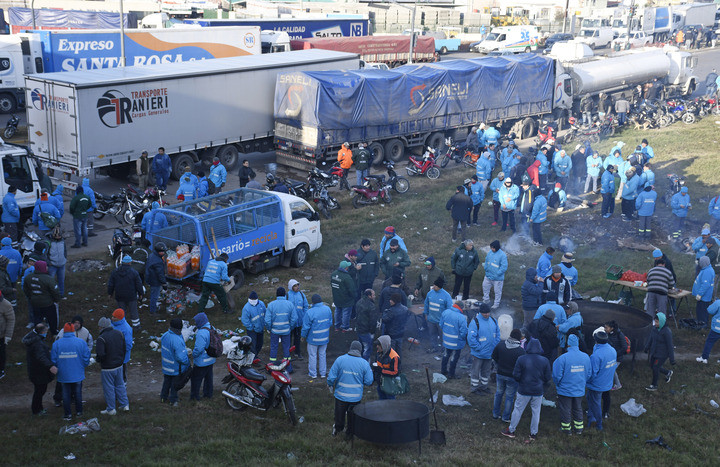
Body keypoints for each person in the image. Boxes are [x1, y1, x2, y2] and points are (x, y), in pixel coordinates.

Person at [501, 338, 552, 441]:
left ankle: (511, 431)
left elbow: (516, 374)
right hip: (538, 391)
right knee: (536, 412)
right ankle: (533, 434)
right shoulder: (545, 360)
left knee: (518, 410)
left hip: (524, 389)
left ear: (528, 347)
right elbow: (548, 377)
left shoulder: (521, 359)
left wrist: (521, 381)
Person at [327, 341, 374, 439]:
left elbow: (331, 377)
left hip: (340, 396)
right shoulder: (364, 363)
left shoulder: (340, 360)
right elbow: (369, 381)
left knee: (339, 415)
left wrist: (330, 385)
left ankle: (338, 429)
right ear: (360, 351)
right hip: (355, 398)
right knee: (353, 417)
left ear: (350, 348)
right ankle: (350, 433)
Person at [553, 334, 591, 435]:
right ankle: (579, 429)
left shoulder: (562, 358)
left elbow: (556, 376)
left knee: (566, 409)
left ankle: (566, 429)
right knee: (578, 408)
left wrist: (558, 385)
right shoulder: (586, 357)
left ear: (568, 344)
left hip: (565, 390)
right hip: (579, 389)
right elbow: (589, 373)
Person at [51, 322, 90, 420]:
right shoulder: (81, 342)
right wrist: (83, 365)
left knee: (66, 394)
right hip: (77, 374)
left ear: (64, 331)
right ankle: (79, 412)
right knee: (78, 393)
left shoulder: (57, 344)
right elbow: (86, 357)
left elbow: (53, 360)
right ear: (73, 331)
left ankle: (67, 414)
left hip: (63, 375)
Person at [96, 316, 129, 415]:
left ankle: (111, 409)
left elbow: (100, 354)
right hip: (119, 365)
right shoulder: (119, 333)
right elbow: (124, 348)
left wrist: (98, 360)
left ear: (102, 327)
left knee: (109, 388)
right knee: (120, 385)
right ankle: (125, 405)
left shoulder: (101, 338)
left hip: (107, 368)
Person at [23, 323, 58, 415]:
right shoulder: (37, 343)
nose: (47, 333)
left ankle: (39, 408)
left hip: (35, 370)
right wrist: (50, 366)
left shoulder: (33, 339)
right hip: (39, 372)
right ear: (42, 332)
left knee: (39, 390)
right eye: (46, 331)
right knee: (40, 391)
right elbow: (41, 357)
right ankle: (36, 410)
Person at [492, 329, 525, 422]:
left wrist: (498, 367)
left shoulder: (500, 345)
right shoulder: (521, 351)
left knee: (498, 394)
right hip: (512, 377)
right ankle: (505, 417)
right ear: (519, 338)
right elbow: (522, 366)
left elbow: (494, 358)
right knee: (509, 397)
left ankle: (495, 414)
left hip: (500, 374)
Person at [586, 331, 617, 432]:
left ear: (596, 341)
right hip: (607, 382)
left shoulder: (596, 356)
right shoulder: (612, 350)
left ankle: (598, 424)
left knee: (596, 403)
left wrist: (585, 380)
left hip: (597, 385)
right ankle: (591, 418)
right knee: (591, 399)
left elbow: (592, 373)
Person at [467, 303, 500, 395]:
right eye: (484, 313)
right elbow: (471, 338)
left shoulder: (493, 320)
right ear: (480, 312)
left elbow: (498, 334)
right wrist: (479, 348)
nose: (487, 314)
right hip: (478, 354)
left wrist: (494, 346)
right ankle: (474, 388)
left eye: (488, 312)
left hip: (489, 353)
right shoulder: (475, 322)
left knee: (486, 371)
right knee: (475, 371)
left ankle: (484, 387)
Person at [23, 260, 60, 336]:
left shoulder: (28, 277)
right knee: (52, 319)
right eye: (45, 266)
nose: (47, 267)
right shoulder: (48, 279)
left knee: (37, 318)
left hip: (35, 303)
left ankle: (39, 333)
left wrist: (31, 297)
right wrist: (56, 300)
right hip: (48, 304)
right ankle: (54, 332)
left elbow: (26, 289)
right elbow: (55, 291)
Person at [108, 255, 144, 328]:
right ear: (130, 263)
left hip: (119, 295)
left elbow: (111, 284)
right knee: (133, 311)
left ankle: (121, 326)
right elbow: (139, 285)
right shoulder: (134, 272)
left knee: (121, 312)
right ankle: (136, 326)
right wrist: (141, 293)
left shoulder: (115, 272)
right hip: (131, 296)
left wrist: (110, 293)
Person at [301, 294, 332, 379]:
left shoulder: (310, 312)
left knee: (312, 355)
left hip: (313, 339)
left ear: (313, 302)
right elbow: (330, 323)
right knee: (322, 355)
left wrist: (303, 336)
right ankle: (323, 373)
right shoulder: (327, 309)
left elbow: (306, 327)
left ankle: (313, 374)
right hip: (324, 338)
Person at [160, 318, 189, 407]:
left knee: (166, 382)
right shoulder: (176, 339)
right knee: (174, 385)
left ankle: (163, 398)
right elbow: (180, 357)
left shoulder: (165, 335)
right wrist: (187, 362)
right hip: (175, 368)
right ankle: (173, 400)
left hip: (166, 366)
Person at [644, 312, 675, 391]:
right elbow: (650, 339)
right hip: (654, 352)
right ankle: (667, 372)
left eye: (657, 322)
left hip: (662, 354)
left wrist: (672, 359)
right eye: (655, 321)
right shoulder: (654, 329)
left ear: (661, 322)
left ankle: (654, 385)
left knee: (655, 367)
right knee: (652, 366)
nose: (655, 323)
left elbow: (670, 346)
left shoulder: (667, 332)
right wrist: (647, 347)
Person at [190, 312, 216, 400]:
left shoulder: (201, 333)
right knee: (208, 378)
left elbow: (199, 349)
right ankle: (208, 394)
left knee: (196, 379)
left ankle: (194, 397)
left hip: (202, 361)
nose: (195, 323)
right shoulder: (212, 328)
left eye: (196, 321)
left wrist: (193, 355)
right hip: (211, 359)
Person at [423, 277, 453, 352]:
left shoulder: (446, 296)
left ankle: (444, 349)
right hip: (431, 320)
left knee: (443, 336)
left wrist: (446, 319)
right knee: (432, 335)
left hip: (441, 321)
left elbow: (449, 309)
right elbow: (426, 304)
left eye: (435, 286)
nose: (433, 287)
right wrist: (426, 314)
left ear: (439, 286)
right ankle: (434, 347)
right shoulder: (430, 293)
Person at [439, 303, 467, 379]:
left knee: (445, 355)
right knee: (454, 357)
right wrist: (462, 339)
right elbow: (463, 331)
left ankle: (443, 370)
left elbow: (441, 324)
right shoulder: (461, 317)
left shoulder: (445, 312)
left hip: (446, 340)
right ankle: (451, 374)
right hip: (456, 342)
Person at [604, 320, 628, 397]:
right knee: (610, 369)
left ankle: (618, 384)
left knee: (612, 369)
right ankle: (610, 383)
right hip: (610, 357)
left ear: (611, 328)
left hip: (617, 358)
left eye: (606, 327)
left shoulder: (619, 334)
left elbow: (624, 347)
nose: (605, 329)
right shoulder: (608, 334)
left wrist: (615, 354)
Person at [382, 292, 409, 358]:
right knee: (399, 350)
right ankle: (399, 364)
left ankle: (393, 366)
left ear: (395, 301)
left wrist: (385, 312)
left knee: (392, 351)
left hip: (392, 334)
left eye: (391, 300)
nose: (390, 301)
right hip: (401, 333)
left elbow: (384, 319)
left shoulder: (391, 311)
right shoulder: (405, 309)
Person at [331, 261, 356, 332]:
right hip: (346, 299)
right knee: (346, 313)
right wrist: (354, 296)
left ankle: (337, 326)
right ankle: (345, 327)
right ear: (346, 268)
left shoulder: (333, 274)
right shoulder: (347, 277)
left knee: (337, 311)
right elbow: (351, 289)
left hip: (336, 298)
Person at [373, 335, 400, 400]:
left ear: (384, 345)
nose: (377, 346)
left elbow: (395, 372)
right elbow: (376, 363)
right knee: (382, 401)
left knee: (390, 403)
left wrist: (381, 371)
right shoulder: (378, 353)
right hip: (380, 382)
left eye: (378, 345)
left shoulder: (394, 357)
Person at [482, 240, 508, 309]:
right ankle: (486, 299)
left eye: (493, 248)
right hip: (488, 275)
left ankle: (496, 304)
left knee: (497, 291)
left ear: (496, 247)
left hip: (497, 278)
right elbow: (486, 260)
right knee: (485, 287)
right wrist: (486, 268)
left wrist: (497, 274)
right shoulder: (490, 253)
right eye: (491, 248)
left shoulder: (502, 255)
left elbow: (504, 267)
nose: (492, 249)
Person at [241, 291, 266, 358]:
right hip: (252, 330)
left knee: (260, 344)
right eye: (252, 300)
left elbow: (265, 314)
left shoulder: (261, 304)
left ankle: (255, 355)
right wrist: (251, 328)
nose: (253, 301)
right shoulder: (246, 308)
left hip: (260, 328)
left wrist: (265, 324)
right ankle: (252, 359)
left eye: (254, 299)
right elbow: (245, 320)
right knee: (252, 345)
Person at [145, 242, 168, 315]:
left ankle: (153, 308)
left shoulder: (152, 255)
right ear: (159, 251)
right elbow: (160, 274)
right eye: (163, 251)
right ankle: (153, 311)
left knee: (153, 294)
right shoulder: (158, 261)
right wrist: (164, 283)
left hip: (150, 277)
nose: (164, 252)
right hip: (155, 281)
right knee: (154, 296)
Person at [111, 308, 133, 382]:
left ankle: (123, 386)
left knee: (122, 374)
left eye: (114, 317)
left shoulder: (126, 329)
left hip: (122, 357)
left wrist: (120, 353)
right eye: (112, 316)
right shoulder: (112, 325)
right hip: (113, 355)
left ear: (119, 318)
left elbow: (128, 344)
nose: (112, 318)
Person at [693, 256, 715, 327]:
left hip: (704, 297)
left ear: (704, 263)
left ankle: (703, 325)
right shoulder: (706, 269)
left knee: (702, 311)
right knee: (701, 310)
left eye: (700, 263)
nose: (699, 264)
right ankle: (701, 322)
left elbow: (705, 285)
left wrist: (700, 294)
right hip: (703, 296)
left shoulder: (707, 272)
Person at [355, 289, 377, 361]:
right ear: (369, 296)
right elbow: (373, 321)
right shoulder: (371, 306)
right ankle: (365, 365)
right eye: (373, 295)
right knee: (367, 349)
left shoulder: (359, 302)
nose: (375, 296)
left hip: (359, 329)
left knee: (360, 348)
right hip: (366, 331)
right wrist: (372, 332)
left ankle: (359, 363)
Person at [0, 289, 14, 379]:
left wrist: (8, 335)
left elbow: (11, 320)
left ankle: (1, 370)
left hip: (1, 335)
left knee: (1, 353)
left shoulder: (5, 304)